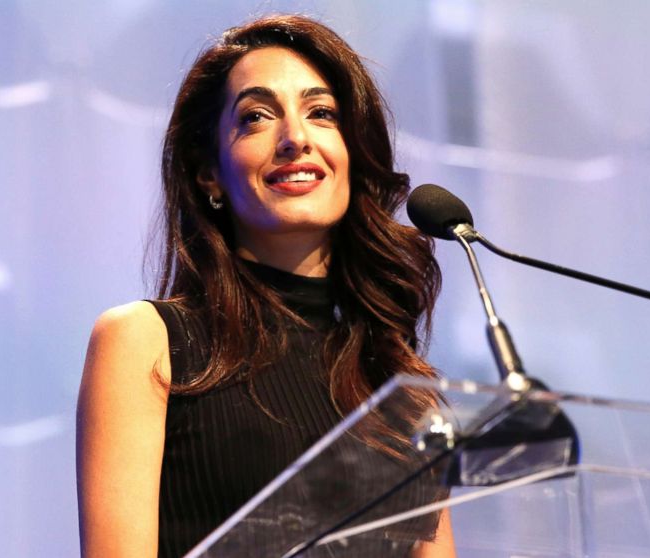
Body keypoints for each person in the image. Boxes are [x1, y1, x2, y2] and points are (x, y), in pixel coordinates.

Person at [77, 14, 454, 557]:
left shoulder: (401, 386)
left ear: (352, 152)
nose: (295, 139)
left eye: (321, 113)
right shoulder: (144, 341)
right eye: (256, 117)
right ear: (209, 173)